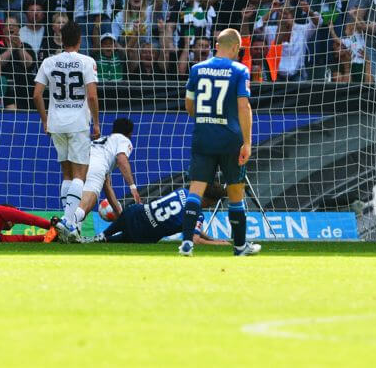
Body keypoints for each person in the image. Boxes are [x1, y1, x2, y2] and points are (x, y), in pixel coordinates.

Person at [180, 27, 260, 257]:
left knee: (195, 191)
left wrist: (207, 119)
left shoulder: (197, 69)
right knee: (236, 192)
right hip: (230, 139)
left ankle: (186, 243)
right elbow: (244, 106)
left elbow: (189, 107)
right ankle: (239, 246)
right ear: (235, 47)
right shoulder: (239, 70)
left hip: (203, 137)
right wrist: (247, 143)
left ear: (217, 45)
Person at [32, 20, 100, 239]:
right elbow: (91, 95)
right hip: (79, 123)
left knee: (67, 174)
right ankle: (70, 222)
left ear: (61, 39)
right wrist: (97, 122)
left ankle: (66, 222)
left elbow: (36, 94)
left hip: (56, 123)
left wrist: (45, 120)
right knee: (81, 174)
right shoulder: (87, 61)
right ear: (80, 40)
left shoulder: (49, 62)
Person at [56, 117, 141, 237]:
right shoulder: (124, 140)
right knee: (86, 205)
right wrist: (132, 187)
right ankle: (67, 221)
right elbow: (122, 158)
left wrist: (119, 214)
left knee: (79, 202)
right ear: (130, 133)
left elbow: (106, 185)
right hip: (96, 166)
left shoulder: (104, 142)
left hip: (81, 162)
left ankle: (73, 231)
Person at [85, 187, 228, 246]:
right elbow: (194, 238)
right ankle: (107, 239)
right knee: (134, 237)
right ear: (210, 201)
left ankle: (102, 235)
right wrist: (218, 243)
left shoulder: (183, 191)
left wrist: (209, 237)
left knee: (132, 212)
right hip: (144, 234)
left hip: (135, 214)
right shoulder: (197, 214)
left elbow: (188, 226)